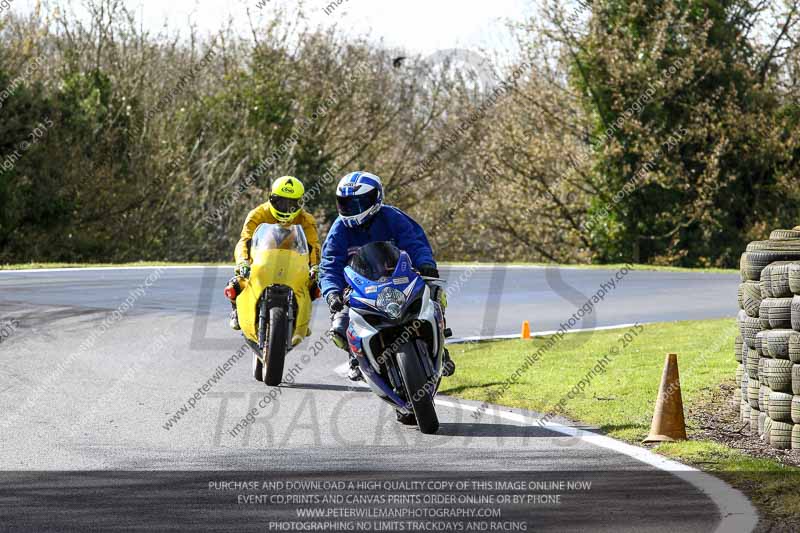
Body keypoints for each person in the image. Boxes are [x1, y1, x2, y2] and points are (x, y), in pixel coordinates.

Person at [319, 171, 454, 385]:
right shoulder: (339, 229)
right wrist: (332, 293)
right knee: (339, 324)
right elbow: (329, 265)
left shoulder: (393, 217)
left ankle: (440, 347)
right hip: (359, 289)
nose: (351, 209)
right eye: (345, 203)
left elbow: (415, 243)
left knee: (435, 293)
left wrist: (426, 265)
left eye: (358, 202)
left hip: (399, 280)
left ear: (376, 198)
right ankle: (356, 358)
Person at [229, 176, 321, 330]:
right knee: (235, 283)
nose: (286, 208)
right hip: (261, 260)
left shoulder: (306, 220)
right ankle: (236, 310)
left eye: (292, 203)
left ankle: (301, 317)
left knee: (314, 287)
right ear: (271, 198)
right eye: (280, 202)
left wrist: (315, 267)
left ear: (300, 203)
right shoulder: (257, 214)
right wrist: (243, 261)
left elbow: (314, 246)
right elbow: (244, 240)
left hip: (294, 263)